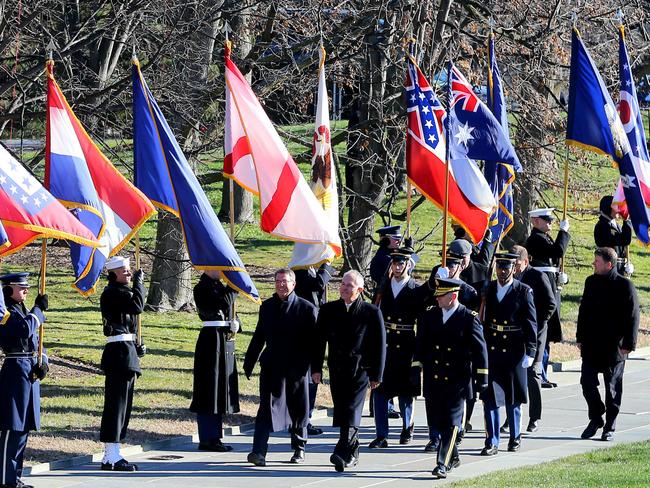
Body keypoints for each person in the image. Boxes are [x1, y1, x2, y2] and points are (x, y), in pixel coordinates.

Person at [414, 278, 488, 479]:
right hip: (434, 378)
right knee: (436, 422)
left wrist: (482, 377)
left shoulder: (468, 317)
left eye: (441, 296)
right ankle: (453, 456)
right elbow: (420, 345)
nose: (437, 299)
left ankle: (442, 463)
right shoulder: (430, 315)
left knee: (451, 423)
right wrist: (415, 370)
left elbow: (480, 351)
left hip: (457, 381)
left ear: (453, 296)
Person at [313, 270, 386, 472]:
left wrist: (376, 375)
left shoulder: (371, 312)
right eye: (343, 284)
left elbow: (380, 345)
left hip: (361, 371)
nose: (344, 288)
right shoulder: (328, 310)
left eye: (350, 285)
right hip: (337, 370)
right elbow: (319, 342)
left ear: (360, 290)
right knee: (343, 409)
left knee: (352, 410)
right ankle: (352, 453)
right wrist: (316, 368)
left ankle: (341, 450)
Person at [243, 268, 318, 466]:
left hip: (297, 368)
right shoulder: (267, 307)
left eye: (285, 281)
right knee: (265, 408)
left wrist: (315, 368)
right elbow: (259, 336)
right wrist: (249, 361)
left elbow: (315, 343)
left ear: (294, 284)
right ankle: (258, 452)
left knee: (298, 407)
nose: (281, 285)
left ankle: (299, 448)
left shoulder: (307, 309)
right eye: (278, 281)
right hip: (272, 365)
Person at [369, 245, 435, 448]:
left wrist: (435, 278)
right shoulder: (384, 287)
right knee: (380, 391)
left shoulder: (415, 288)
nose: (397, 267)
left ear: (408, 265)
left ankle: (407, 428)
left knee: (407, 392)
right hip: (385, 344)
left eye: (401, 263)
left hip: (406, 343)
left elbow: (429, 296)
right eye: (394, 263)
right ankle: (382, 435)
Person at [577, 247, 639, 441]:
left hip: (615, 347)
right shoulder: (591, 282)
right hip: (592, 344)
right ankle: (596, 417)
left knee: (612, 389)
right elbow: (584, 311)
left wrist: (629, 343)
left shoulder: (625, 286)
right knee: (587, 382)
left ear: (609, 264)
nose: (594, 264)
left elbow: (633, 316)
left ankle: (609, 426)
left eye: (597, 261)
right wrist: (580, 337)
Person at [481, 253, 537, 456]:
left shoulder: (523, 291)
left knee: (514, 398)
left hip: (514, 349)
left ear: (514, 269)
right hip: (493, 349)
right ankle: (492, 440)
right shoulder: (488, 288)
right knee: (490, 399)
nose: (502, 272)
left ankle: (515, 437)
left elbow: (531, 323)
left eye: (506, 268)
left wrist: (531, 350)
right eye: (500, 268)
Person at [0, 273, 48, 488]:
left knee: (24, 426)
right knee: (13, 426)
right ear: (8, 288)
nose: (26, 290)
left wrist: (43, 362)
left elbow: (36, 340)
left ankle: (15, 478)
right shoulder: (4, 311)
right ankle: (5, 479)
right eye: (22, 287)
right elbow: (22, 331)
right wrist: (38, 311)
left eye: (27, 287)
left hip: (28, 370)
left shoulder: (22, 310)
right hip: (15, 369)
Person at [99, 256, 146, 472]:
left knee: (124, 407)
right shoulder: (112, 293)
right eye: (125, 271)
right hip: (118, 355)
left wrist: (137, 345)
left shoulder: (121, 292)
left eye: (129, 270)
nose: (129, 273)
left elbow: (129, 323)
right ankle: (110, 455)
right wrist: (139, 283)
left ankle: (114, 452)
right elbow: (137, 306)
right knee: (116, 407)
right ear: (113, 273)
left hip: (126, 353)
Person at [189, 270, 239, 452]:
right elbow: (220, 303)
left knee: (219, 391)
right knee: (208, 390)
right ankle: (207, 437)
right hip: (211, 341)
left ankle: (215, 436)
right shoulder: (201, 288)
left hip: (224, 340)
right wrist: (234, 288)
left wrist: (236, 324)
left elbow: (229, 309)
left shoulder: (220, 287)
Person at [511, 245, 556, 433]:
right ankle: (512, 417)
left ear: (526, 261)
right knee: (514, 375)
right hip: (516, 333)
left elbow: (550, 304)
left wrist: (536, 324)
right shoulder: (509, 278)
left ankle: (534, 417)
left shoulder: (537, 277)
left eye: (517, 264)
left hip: (536, 334)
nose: (513, 268)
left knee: (533, 374)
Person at [525, 208, 570, 388]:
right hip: (543, 288)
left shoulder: (543, 237)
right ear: (536, 221)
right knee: (543, 332)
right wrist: (564, 232)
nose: (550, 222)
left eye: (551, 219)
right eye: (546, 219)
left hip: (551, 283)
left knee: (549, 332)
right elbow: (557, 251)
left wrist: (560, 276)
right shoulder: (535, 239)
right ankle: (538, 373)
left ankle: (542, 373)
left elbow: (553, 259)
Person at [292, 262, 334, 436]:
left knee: (314, 377)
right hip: (304, 333)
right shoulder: (300, 271)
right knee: (306, 379)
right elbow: (318, 284)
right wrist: (327, 266)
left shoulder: (312, 269)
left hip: (317, 331)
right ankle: (300, 420)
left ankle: (305, 418)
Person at [593, 195, 633, 276]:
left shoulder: (614, 224)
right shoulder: (603, 226)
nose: (619, 210)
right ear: (609, 208)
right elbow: (625, 240)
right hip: (608, 270)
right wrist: (627, 221)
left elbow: (623, 246)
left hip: (618, 268)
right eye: (616, 207)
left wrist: (626, 264)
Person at [369, 225, 402, 291]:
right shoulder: (384, 257)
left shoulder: (388, 252)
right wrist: (409, 251)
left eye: (399, 238)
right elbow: (401, 275)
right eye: (395, 238)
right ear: (386, 240)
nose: (399, 241)